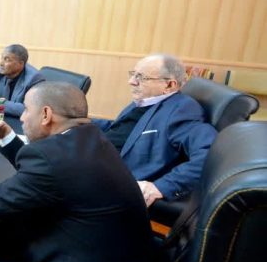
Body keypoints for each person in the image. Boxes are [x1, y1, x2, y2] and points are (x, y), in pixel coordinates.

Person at [0, 81, 152, 262]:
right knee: (6, 226)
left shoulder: (52, 158)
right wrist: (6, 135)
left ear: (46, 114)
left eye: (27, 109)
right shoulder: (90, 138)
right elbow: (50, 170)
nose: (22, 117)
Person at [93, 54, 217, 206]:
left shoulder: (182, 110)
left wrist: (163, 186)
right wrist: (81, 121)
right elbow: (122, 129)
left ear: (169, 85)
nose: (131, 81)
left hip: (111, 181)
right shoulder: (145, 101)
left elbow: (211, 154)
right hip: (95, 162)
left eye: (141, 77)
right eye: (133, 74)